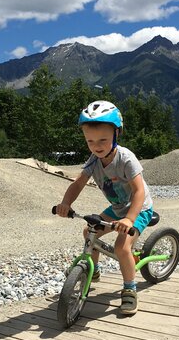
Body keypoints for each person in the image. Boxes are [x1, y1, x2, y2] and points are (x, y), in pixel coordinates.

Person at [55, 100, 154, 315]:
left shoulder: (126, 159)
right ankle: (93, 270)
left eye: (103, 140)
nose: (96, 146)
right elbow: (78, 183)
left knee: (122, 247)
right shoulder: (94, 160)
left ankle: (129, 289)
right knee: (89, 231)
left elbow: (138, 192)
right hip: (118, 207)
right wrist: (66, 204)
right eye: (90, 141)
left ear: (116, 134)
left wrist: (129, 219)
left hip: (138, 208)